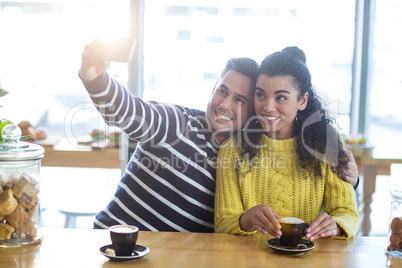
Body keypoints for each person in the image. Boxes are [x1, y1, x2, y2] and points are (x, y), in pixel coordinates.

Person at [79, 39, 359, 233]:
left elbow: (313, 198)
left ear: (252, 110)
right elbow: (126, 112)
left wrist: (350, 179)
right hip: (113, 246)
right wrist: (94, 76)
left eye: (240, 99)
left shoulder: (251, 151)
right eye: (222, 91)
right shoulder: (177, 123)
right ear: (213, 87)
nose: (225, 105)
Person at [214, 46, 359, 240]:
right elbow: (223, 222)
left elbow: (347, 212)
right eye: (260, 95)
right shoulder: (233, 149)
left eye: (280, 97)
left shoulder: (326, 142)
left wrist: (337, 225)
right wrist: (247, 219)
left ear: (302, 100)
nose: (268, 107)